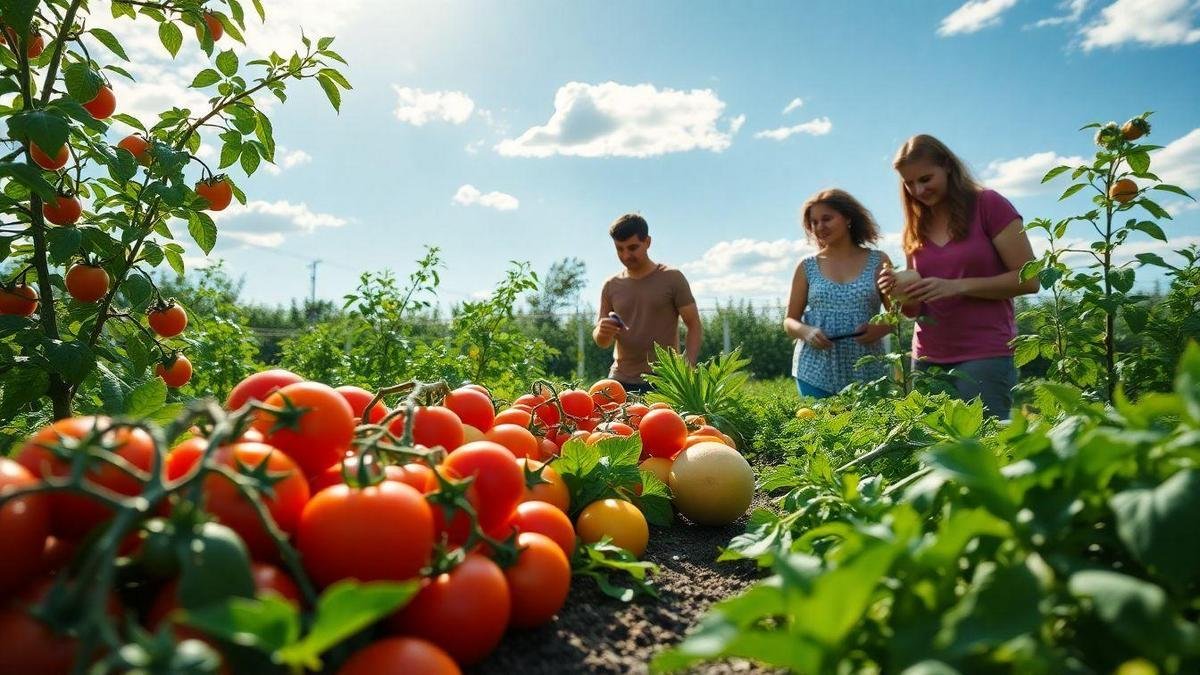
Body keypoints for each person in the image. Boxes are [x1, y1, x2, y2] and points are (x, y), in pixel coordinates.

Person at [879, 134, 1038, 419]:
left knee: (986, 447)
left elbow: (1029, 280)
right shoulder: (916, 225)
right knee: (935, 449)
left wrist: (957, 286)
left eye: (926, 179)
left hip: (983, 354)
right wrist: (897, 291)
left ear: (948, 166)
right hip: (927, 358)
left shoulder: (988, 205)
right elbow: (913, 310)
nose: (918, 189)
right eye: (909, 183)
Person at [785, 189, 893, 398]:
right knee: (821, 429)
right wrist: (807, 332)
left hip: (867, 370)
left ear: (848, 218)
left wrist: (880, 328)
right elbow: (789, 321)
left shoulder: (878, 261)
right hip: (815, 370)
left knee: (867, 430)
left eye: (827, 219)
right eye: (814, 222)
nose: (819, 227)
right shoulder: (807, 266)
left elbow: (896, 313)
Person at [593, 213, 702, 394]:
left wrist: (688, 365)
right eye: (619, 249)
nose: (626, 255)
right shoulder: (611, 285)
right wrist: (602, 331)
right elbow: (602, 341)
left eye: (632, 247)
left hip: (664, 380)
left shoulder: (672, 278)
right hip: (620, 379)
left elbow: (694, 324)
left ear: (648, 242)